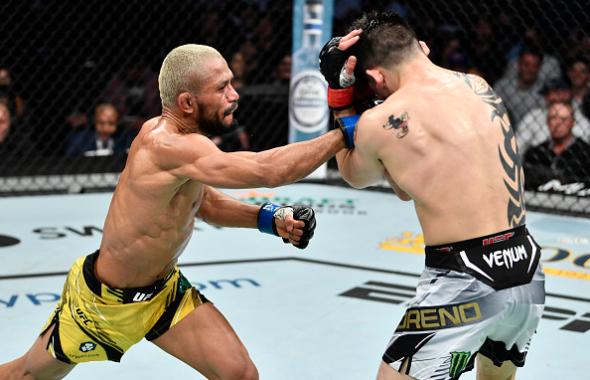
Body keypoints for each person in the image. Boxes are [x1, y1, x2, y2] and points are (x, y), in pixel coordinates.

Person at [0, 44, 349, 379]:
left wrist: (267, 219)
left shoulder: (185, 145)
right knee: (25, 375)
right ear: (187, 102)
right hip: (102, 307)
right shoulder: (167, 144)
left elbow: (205, 203)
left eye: (232, 82)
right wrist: (345, 134)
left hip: (163, 295)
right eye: (223, 87)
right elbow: (266, 171)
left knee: (239, 374)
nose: (235, 95)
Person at [319, 11, 545, 380]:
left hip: (466, 276)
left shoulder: (383, 120)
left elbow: (355, 175)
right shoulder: (478, 86)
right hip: (525, 266)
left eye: (373, 86)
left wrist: (342, 99)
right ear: (420, 49)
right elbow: (408, 185)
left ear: (375, 77)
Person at [516, 77, 590, 157]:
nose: (550, 97)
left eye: (555, 92)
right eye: (546, 94)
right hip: (540, 160)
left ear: (567, 93)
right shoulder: (534, 115)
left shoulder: (580, 119)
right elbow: (518, 146)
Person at [523, 101, 590, 189]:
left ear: (572, 122)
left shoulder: (586, 154)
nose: (557, 123)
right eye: (553, 118)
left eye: (563, 119)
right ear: (547, 122)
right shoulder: (534, 153)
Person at [493, 46, 545, 125]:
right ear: (519, 64)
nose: (530, 69)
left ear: (539, 68)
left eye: (534, 66)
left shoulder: (543, 93)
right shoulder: (502, 86)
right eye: (526, 65)